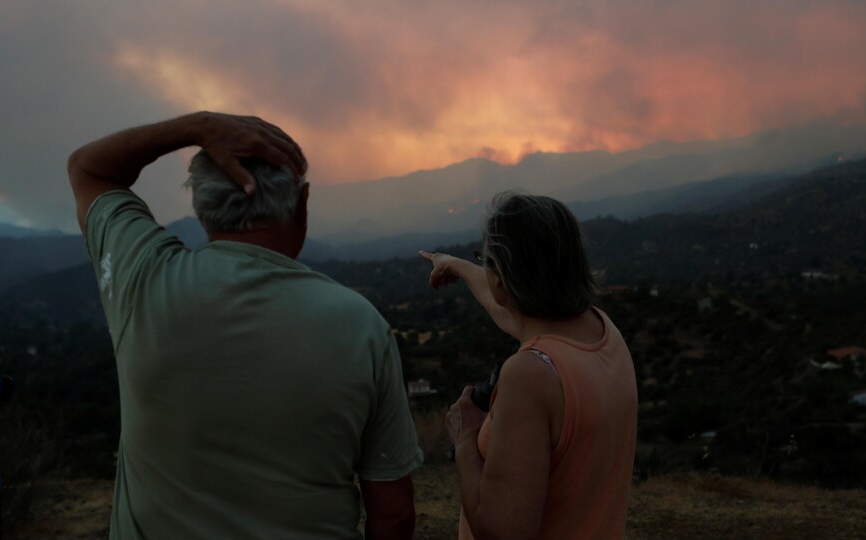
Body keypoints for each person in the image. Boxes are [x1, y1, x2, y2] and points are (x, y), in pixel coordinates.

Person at [68, 112, 423, 539]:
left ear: (202, 209)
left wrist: (194, 127)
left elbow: (88, 168)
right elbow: (394, 515)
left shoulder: (144, 279)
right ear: (302, 204)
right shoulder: (362, 325)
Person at [420, 192, 638, 539]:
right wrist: (457, 264)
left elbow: (502, 531)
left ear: (503, 279)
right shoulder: (604, 333)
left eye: (486, 260)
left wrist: (464, 437)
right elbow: (503, 307)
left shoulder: (531, 375)